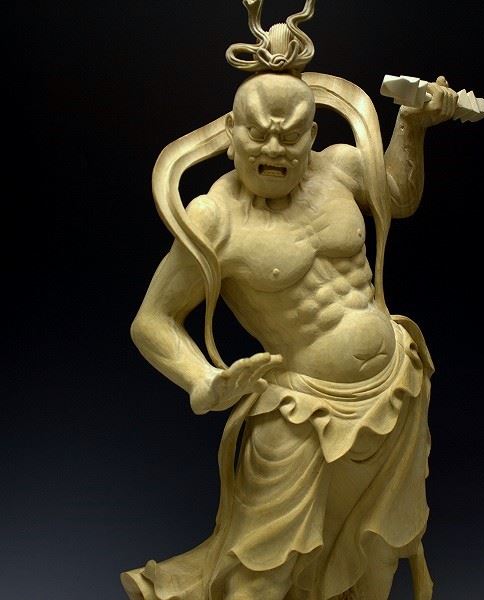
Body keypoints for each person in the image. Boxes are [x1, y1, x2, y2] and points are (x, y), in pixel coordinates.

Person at [121, 3, 457, 599]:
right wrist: (202, 379)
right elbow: (152, 320)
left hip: (396, 386)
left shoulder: (341, 169)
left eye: (290, 134)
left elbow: (400, 197)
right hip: (301, 409)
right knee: (264, 570)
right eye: (258, 132)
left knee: (378, 552)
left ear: (312, 136)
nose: (273, 147)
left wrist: (411, 126)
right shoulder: (214, 219)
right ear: (231, 134)